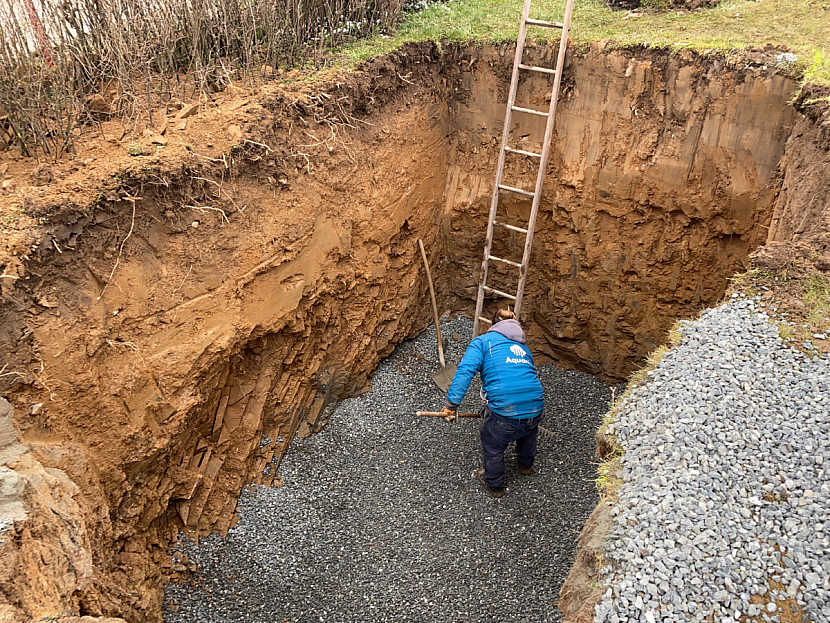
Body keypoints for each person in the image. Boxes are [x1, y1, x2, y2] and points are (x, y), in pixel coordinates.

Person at [442, 309, 545, 498]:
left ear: (492, 326)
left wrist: (451, 405)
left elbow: (465, 371)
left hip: (505, 411)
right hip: (536, 406)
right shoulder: (523, 348)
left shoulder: (482, 342)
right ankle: (525, 466)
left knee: (493, 443)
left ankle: (494, 484)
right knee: (527, 432)